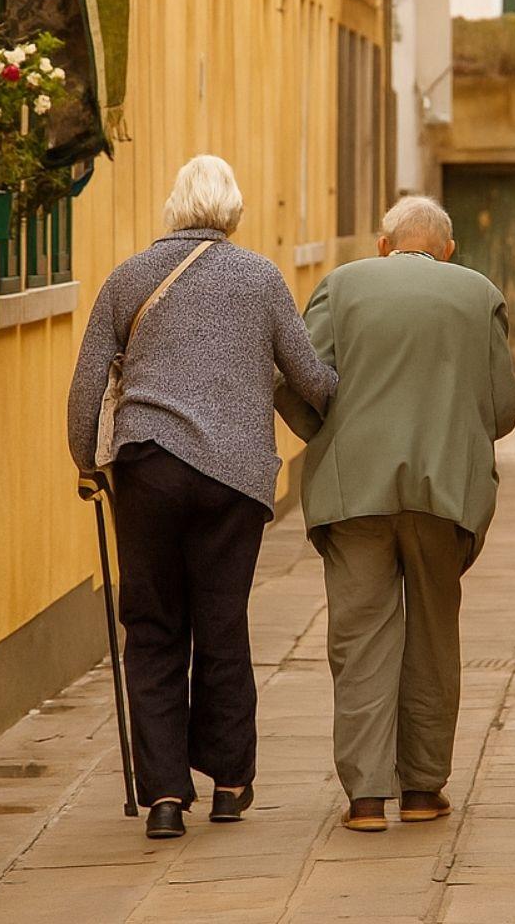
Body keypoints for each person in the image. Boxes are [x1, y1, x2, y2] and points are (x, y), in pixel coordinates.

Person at [68, 154, 337, 839]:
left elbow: (86, 385)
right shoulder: (261, 278)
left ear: (174, 207)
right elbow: (309, 375)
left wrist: (86, 463)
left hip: (148, 469)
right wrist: (339, 394)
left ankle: (163, 796)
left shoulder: (129, 277)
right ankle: (230, 782)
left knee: (153, 628)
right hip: (234, 481)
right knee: (222, 625)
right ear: (233, 213)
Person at [275, 194, 515, 833]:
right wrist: (453, 433)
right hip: (445, 493)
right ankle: (422, 789)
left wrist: (325, 437)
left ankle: (365, 799)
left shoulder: (342, 286)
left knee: (359, 639)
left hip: (354, 490)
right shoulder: (478, 294)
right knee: (434, 637)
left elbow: (301, 379)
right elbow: (503, 406)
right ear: (447, 250)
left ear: (384, 244)